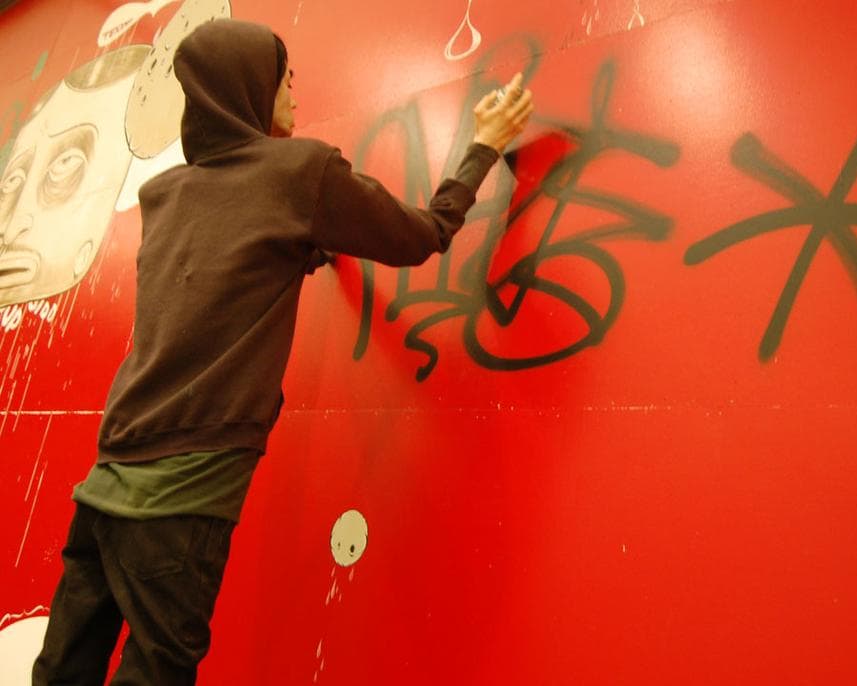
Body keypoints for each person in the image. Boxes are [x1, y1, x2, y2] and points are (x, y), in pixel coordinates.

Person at [32, 18, 533, 685]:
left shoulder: (166, 193)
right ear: (245, 86)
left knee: (64, 670)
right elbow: (422, 236)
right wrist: (482, 146)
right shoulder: (299, 171)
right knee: (156, 673)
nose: (292, 83)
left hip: (104, 480)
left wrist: (301, 249)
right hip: (180, 492)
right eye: (280, 72)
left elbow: (218, 271)